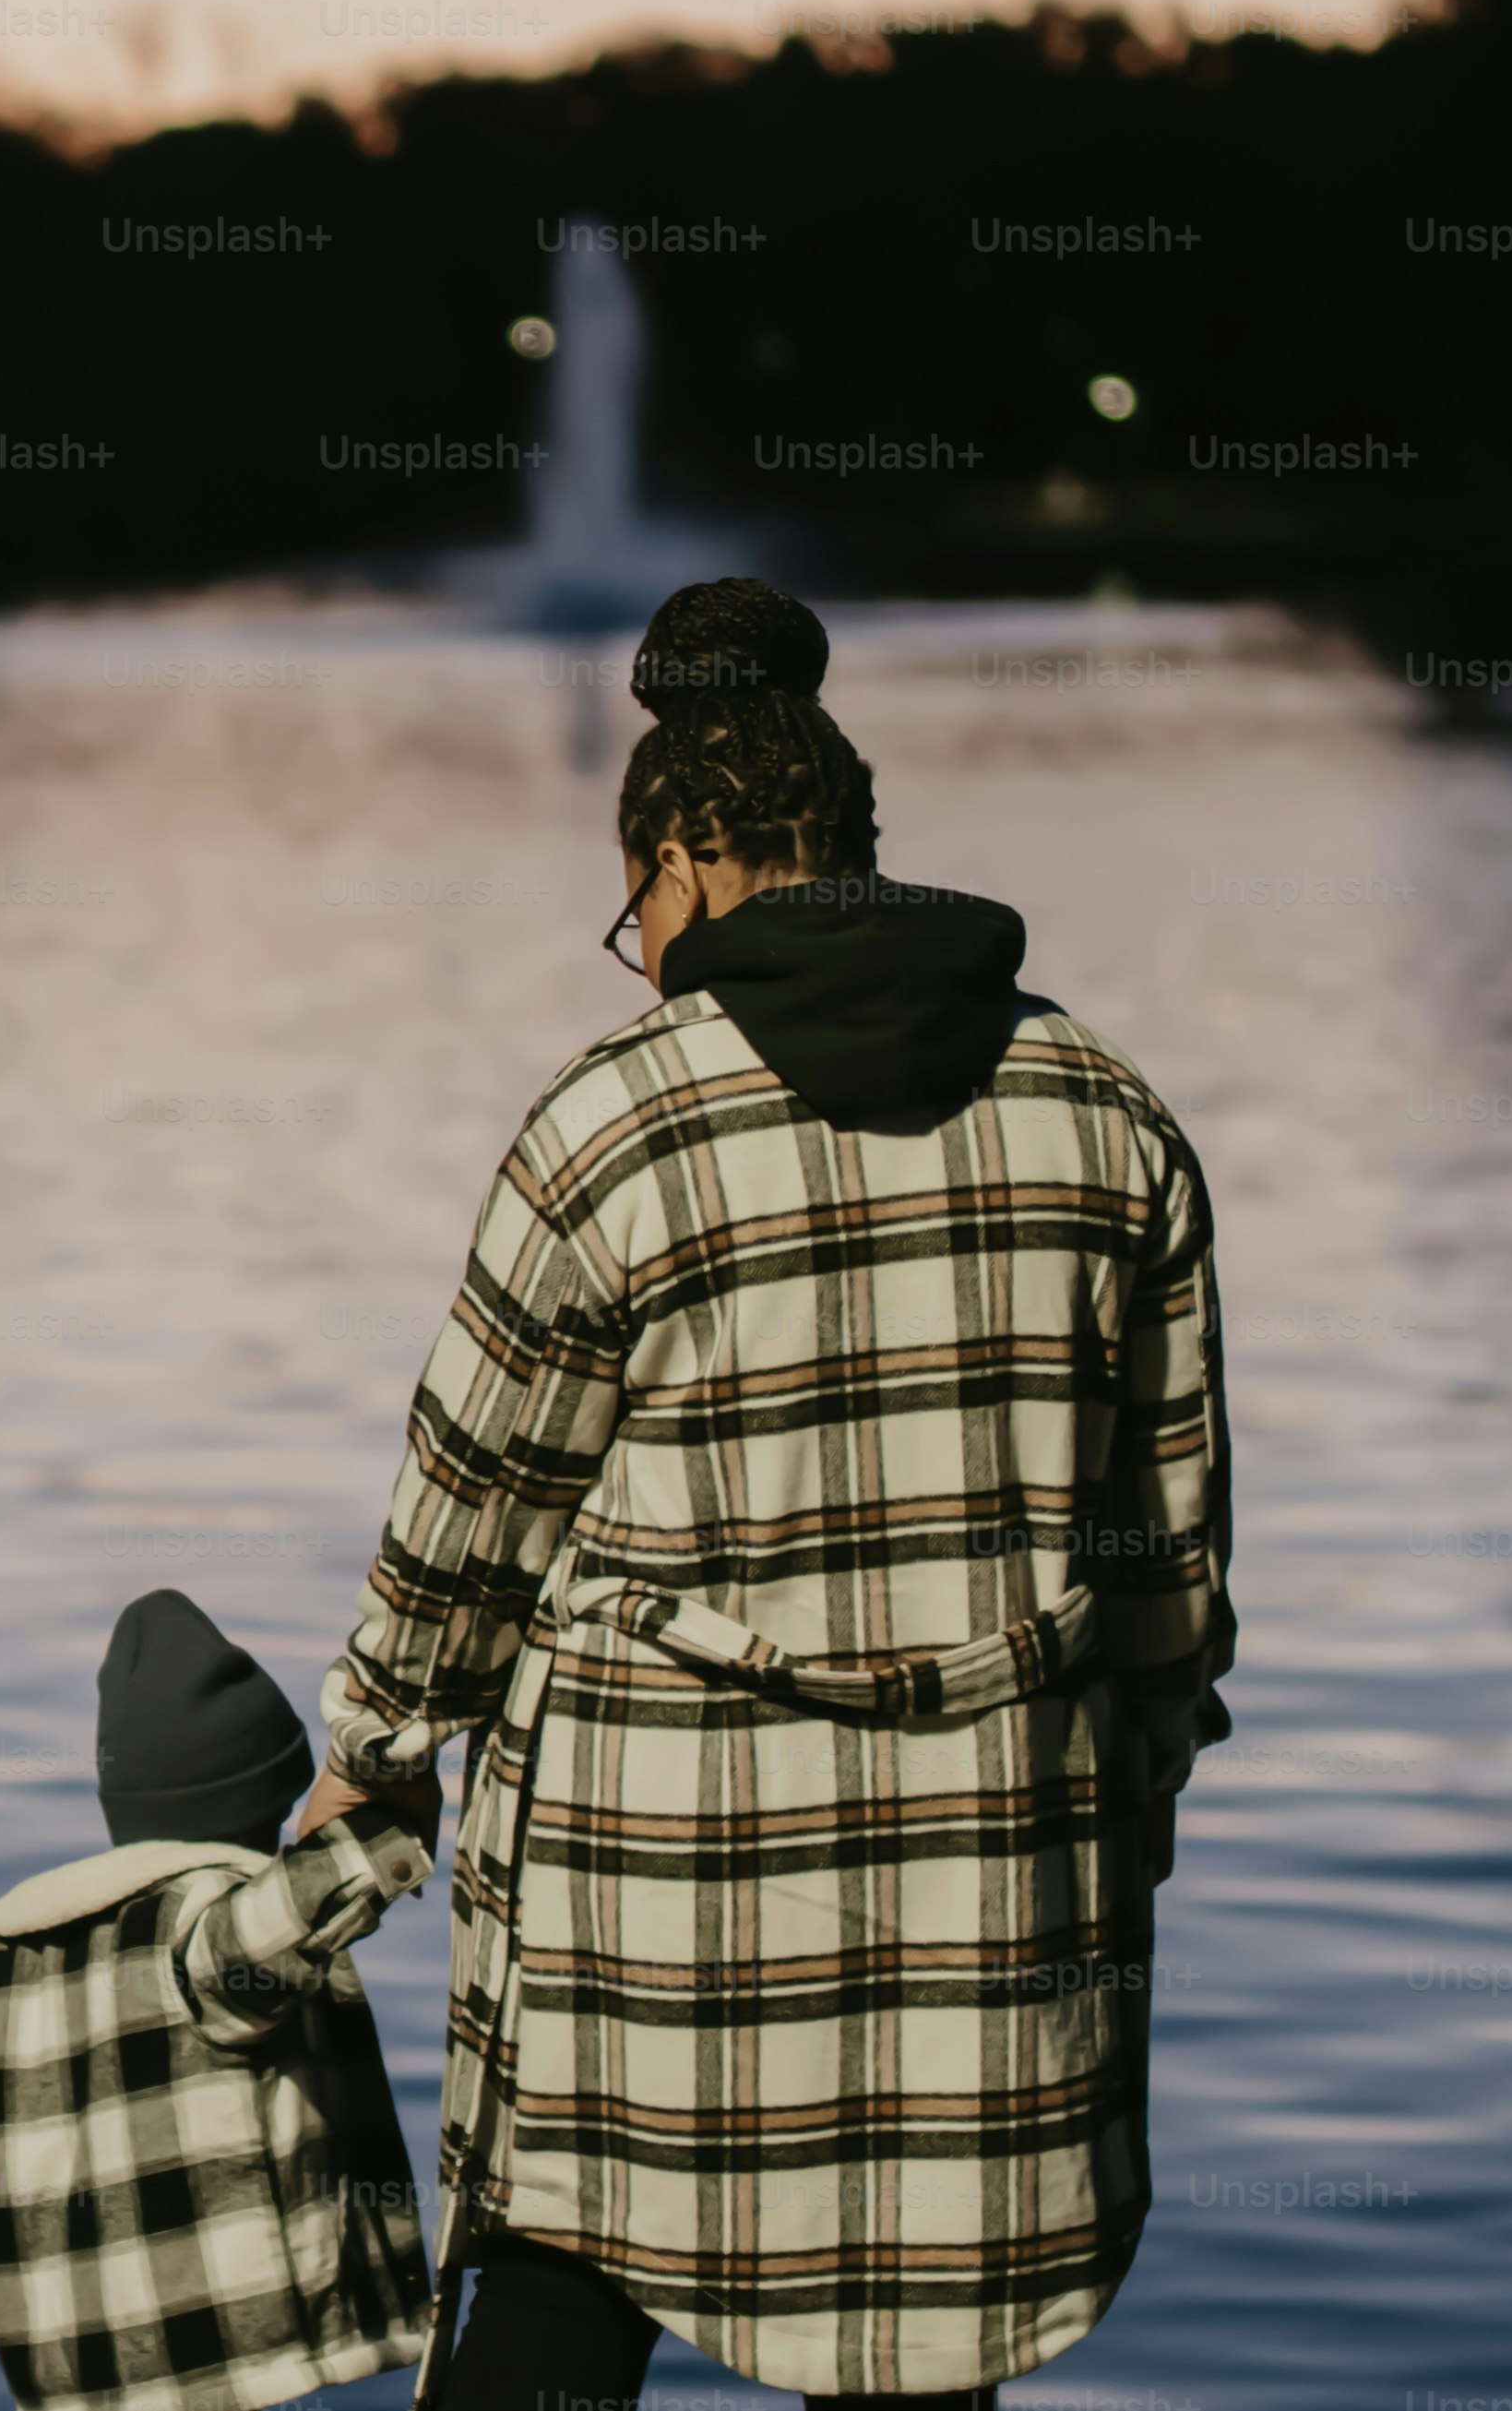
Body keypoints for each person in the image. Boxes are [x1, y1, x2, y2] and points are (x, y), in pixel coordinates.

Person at [311, 579, 1235, 2411]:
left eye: (631, 909)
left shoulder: (615, 1121)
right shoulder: (1100, 1113)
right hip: (977, 1869)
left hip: (653, 1879)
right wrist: (1125, 1778)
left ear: (684, 860)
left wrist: (372, 1740)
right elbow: (1161, 1558)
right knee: (911, 2346)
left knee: (560, 2294)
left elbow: (469, 1504)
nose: (635, 948)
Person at [0, 1590, 438, 2411]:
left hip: (77, 2361)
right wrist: (390, 1819)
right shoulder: (207, 1920)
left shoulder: (11, 1953)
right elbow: (291, 1913)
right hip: (227, 2354)